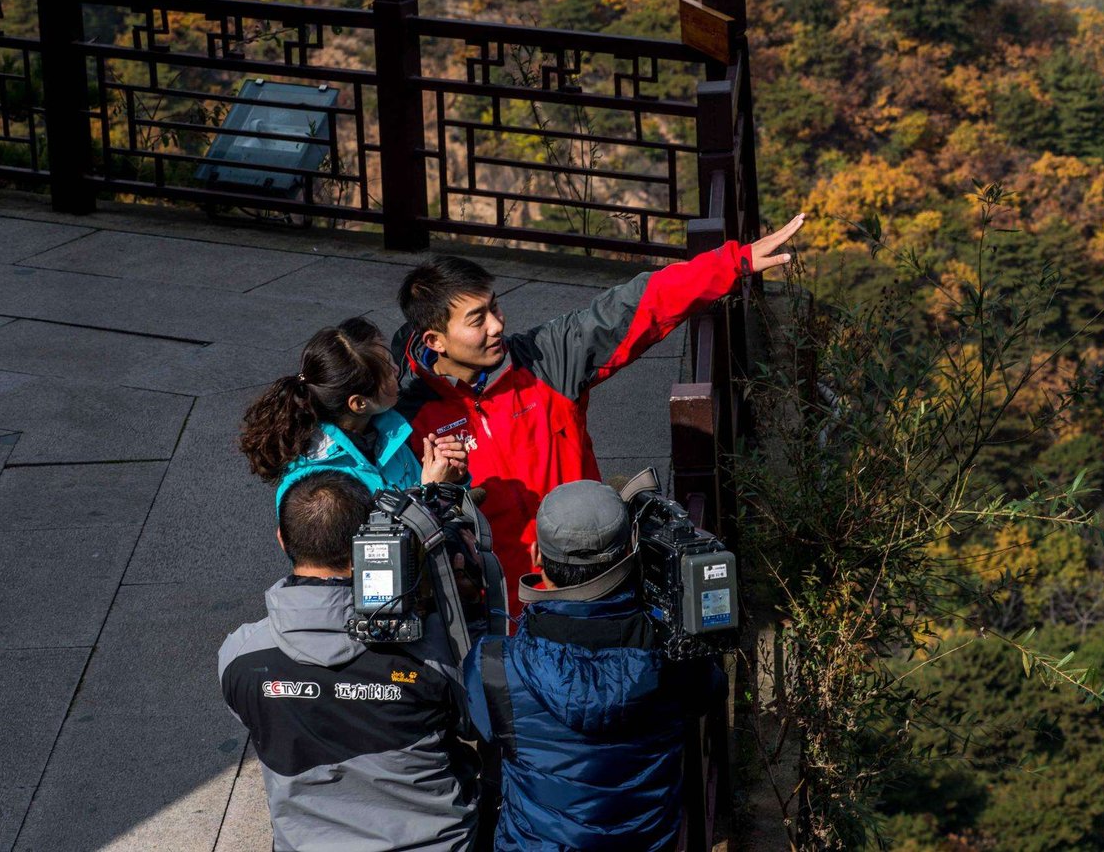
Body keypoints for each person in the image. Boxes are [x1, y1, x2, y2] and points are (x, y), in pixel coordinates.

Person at [394, 214, 804, 611]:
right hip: (492, 611)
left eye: (495, 308)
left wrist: (734, 262)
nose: (497, 326)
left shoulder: (546, 358)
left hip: (594, 584)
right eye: (477, 320)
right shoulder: (405, 418)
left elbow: (638, 304)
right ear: (436, 340)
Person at [218, 470, 480, 852]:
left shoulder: (239, 656)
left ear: (281, 540)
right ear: (368, 544)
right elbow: (475, 722)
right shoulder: (431, 649)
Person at [461, 478, 722, 851]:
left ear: (537, 556)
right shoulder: (674, 654)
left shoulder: (494, 666)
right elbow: (709, 692)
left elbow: (473, 722)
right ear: (632, 555)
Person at [240, 316, 468, 513]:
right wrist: (430, 491)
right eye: (388, 370)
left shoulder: (390, 434)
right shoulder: (317, 483)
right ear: (359, 403)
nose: (397, 370)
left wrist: (452, 481)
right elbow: (374, 557)